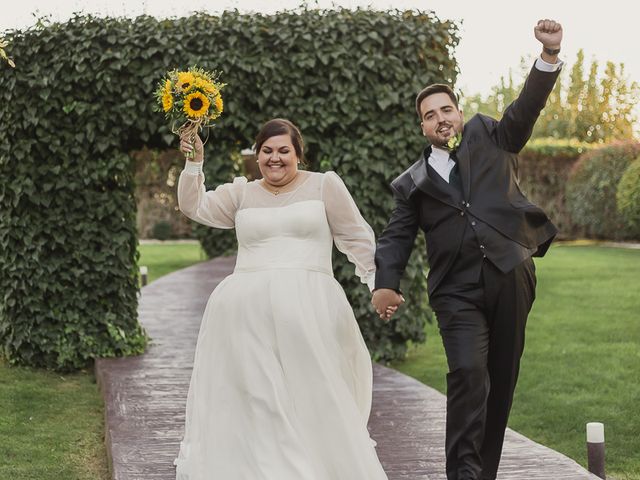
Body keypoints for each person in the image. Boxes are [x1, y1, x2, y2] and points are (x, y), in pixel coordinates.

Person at [371, 19, 564, 480]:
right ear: (422, 126)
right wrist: (385, 284)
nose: (442, 118)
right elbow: (397, 235)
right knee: (467, 376)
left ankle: (483, 473)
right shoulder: (411, 183)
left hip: (510, 274)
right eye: (431, 114)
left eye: (447, 109)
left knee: (500, 381)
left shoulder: (491, 134)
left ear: (459, 113)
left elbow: (526, 109)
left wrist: (549, 57)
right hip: (455, 292)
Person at [174, 118, 393, 479]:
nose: (275, 158)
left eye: (283, 151)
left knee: (313, 393)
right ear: (257, 155)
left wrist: (378, 286)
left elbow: (358, 240)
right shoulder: (241, 193)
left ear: (298, 154)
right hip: (243, 314)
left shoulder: (324, 186)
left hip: (309, 310)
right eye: (267, 151)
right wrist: (194, 162)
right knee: (259, 399)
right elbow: (193, 206)